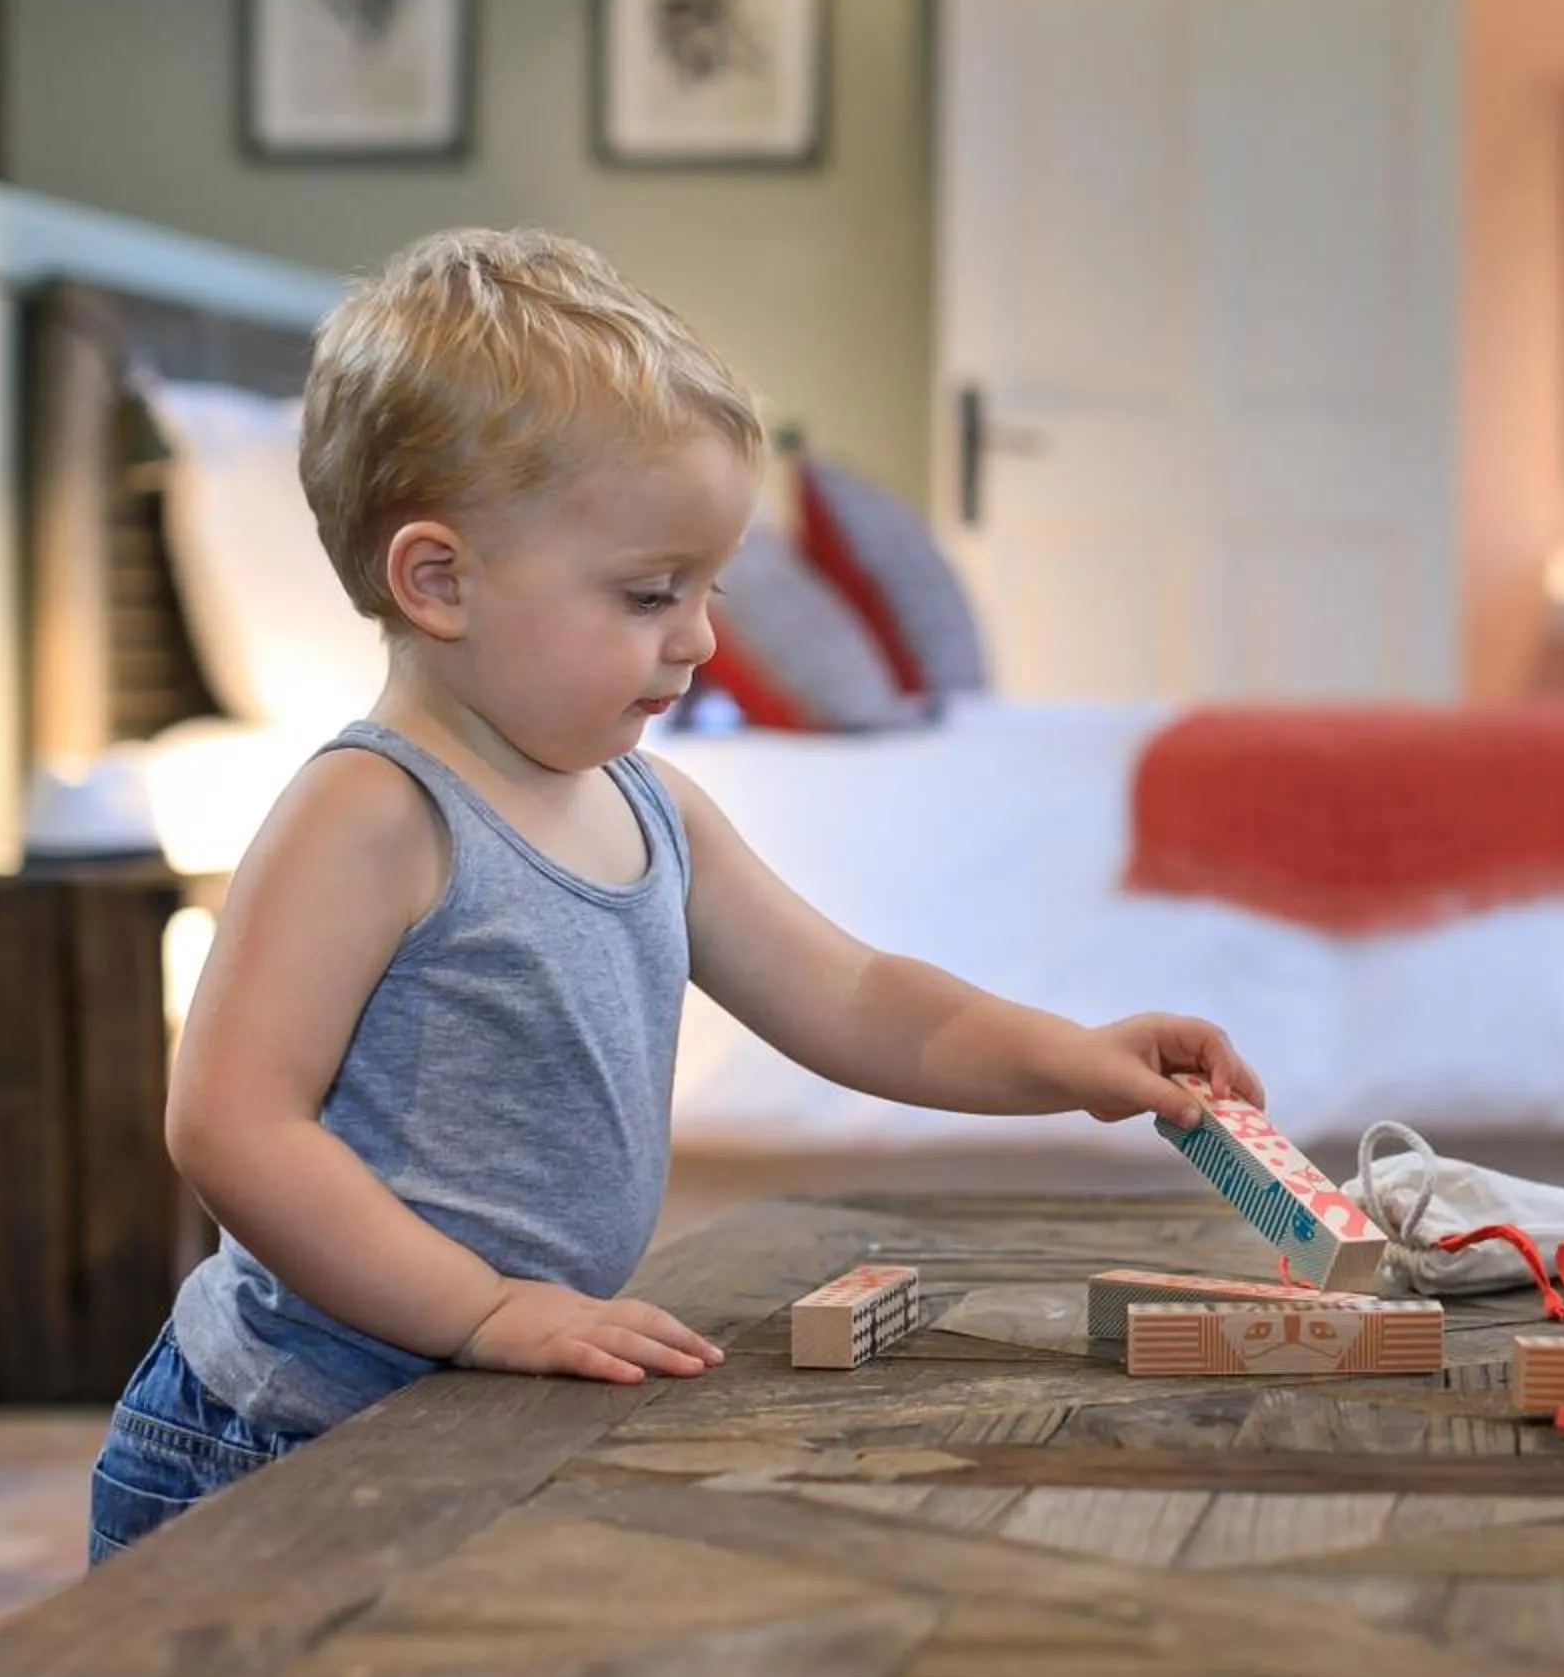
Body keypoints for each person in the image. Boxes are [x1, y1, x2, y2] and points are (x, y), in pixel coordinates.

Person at [87, 228, 1258, 1563]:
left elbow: (855, 995)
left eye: (706, 589)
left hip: (467, 1408)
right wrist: (482, 1308)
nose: (699, 639)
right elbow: (233, 1125)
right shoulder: (371, 813)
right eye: (650, 593)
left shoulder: (650, 805)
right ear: (439, 579)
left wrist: (1074, 1057)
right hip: (277, 1435)